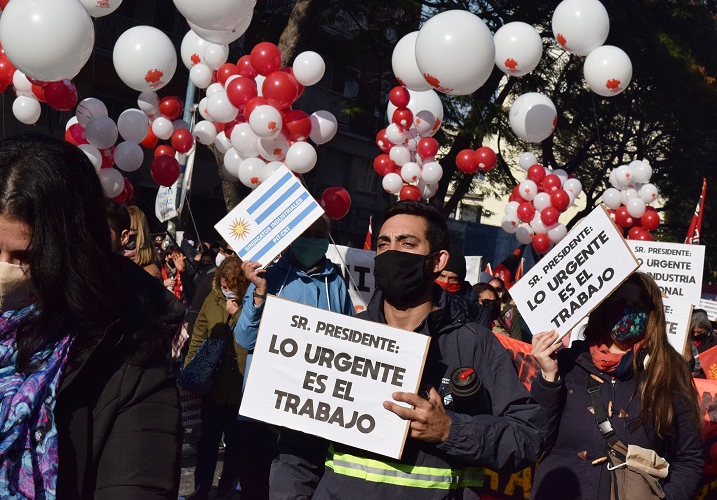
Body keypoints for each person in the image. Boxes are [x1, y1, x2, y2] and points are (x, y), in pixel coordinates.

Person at [0, 134, 185, 498]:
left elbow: (137, 482)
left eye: (27, 256)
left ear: (74, 250)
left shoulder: (127, 349)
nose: (2, 269)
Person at [270, 200, 547, 499]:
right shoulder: (345, 337)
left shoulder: (476, 345)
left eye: (407, 243)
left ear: (438, 261)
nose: (392, 253)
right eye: (384, 244)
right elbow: (296, 452)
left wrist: (450, 431)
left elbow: (528, 438)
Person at [530, 272, 703, 499]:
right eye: (618, 304)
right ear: (602, 308)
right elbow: (535, 438)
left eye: (636, 305)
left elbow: (688, 459)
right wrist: (548, 378)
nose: (626, 312)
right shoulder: (566, 362)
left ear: (652, 314)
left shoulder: (669, 372)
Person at [236, 215, 354, 499]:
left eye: (318, 235)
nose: (312, 241)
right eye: (306, 234)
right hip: (264, 414)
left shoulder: (336, 283)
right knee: (257, 488)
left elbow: (349, 341)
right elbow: (244, 339)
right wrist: (259, 295)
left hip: (311, 414)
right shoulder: (269, 277)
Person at [184, 256, 249, 500]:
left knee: (235, 445)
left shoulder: (251, 303)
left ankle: (226, 490)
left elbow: (256, 333)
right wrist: (191, 370)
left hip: (240, 388)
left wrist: (240, 312)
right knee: (207, 443)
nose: (227, 287)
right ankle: (201, 488)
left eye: (231, 283)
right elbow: (198, 336)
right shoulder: (212, 300)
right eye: (223, 282)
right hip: (213, 387)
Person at [126, 205, 163, 281]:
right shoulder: (115, 264)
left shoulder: (151, 274)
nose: (127, 235)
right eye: (124, 229)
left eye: (132, 230)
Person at [687, 309, 716, 378]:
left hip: (702, 379)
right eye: (693, 332)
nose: (696, 335)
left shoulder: (714, 342)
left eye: (699, 332)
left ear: (707, 329)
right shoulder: (685, 338)